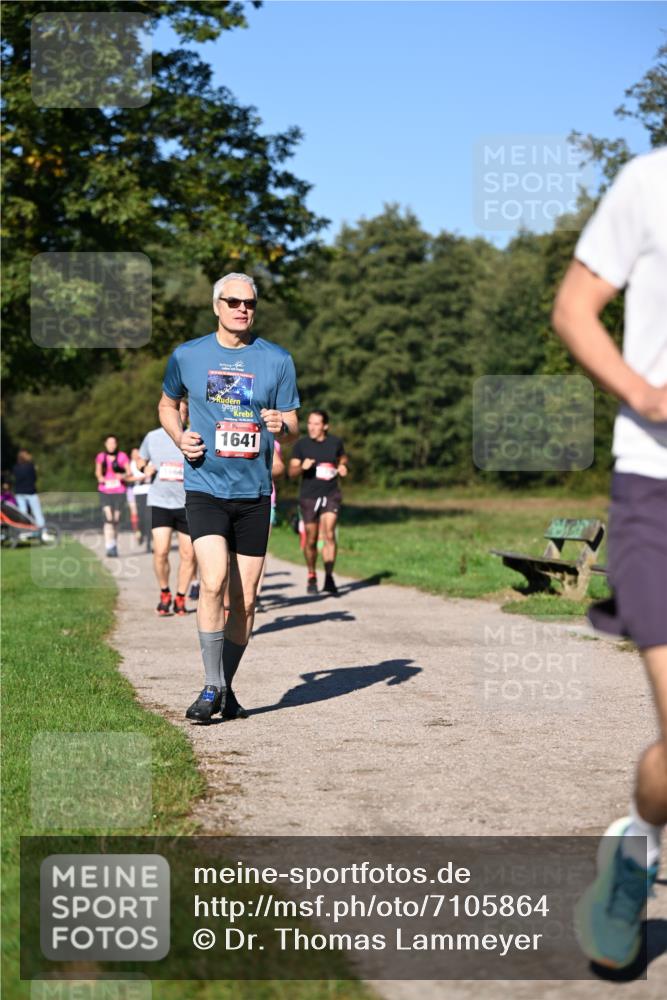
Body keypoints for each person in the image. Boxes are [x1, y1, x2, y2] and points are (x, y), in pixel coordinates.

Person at [552, 146, 667, 969]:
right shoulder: (651, 179)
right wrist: (643, 393)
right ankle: (636, 853)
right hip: (656, 489)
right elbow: (573, 308)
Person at [158, 272, 299, 723]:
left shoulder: (276, 360)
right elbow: (166, 404)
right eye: (234, 301)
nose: (243, 309)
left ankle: (225, 688)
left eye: (250, 303)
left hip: (254, 493)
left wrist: (283, 426)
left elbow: (293, 425)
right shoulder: (188, 355)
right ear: (217, 305)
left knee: (246, 601)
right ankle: (210, 686)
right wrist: (180, 437)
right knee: (214, 581)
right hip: (204, 487)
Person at [137, 402, 196, 617]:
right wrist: (144, 467)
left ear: (187, 414)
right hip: (160, 502)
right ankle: (164, 592)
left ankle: (181, 597)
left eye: (183, 411)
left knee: (188, 555)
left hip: (187, 503)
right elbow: (140, 458)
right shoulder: (152, 437)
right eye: (176, 410)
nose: (180, 414)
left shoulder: (194, 436)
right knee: (160, 552)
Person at [289, 409, 348, 595]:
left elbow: (342, 458)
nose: (312, 427)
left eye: (316, 424)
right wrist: (301, 468)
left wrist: (343, 466)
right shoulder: (302, 445)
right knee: (312, 538)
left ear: (325, 426)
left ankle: (329, 577)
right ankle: (312, 574)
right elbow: (291, 473)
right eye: (310, 423)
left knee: (329, 533)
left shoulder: (335, 443)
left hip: (331, 494)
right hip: (309, 496)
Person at [256, 440, 285, 612]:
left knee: (259, 550)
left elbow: (278, 468)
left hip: (266, 499)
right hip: (234, 497)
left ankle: (256, 595)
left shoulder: (273, 441)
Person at [94, 436, 130, 557]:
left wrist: (122, 475)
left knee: (116, 519)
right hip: (105, 491)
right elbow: (98, 471)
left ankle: (113, 544)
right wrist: (100, 478)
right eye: (109, 443)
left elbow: (129, 472)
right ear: (105, 444)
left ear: (116, 444)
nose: (111, 445)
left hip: (119, 491)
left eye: (114, 442)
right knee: (108, 518)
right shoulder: (101, 457)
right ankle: (109, 546)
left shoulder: (122, 456)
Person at [12, 449, 45, 529]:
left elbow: (15, 479)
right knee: (37, 511)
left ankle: (23, 529)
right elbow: (34, 478)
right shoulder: (30, 466)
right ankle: (42, 530)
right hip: (30, 492)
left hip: (19, 492)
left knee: (23, 513)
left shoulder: (15, 467)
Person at [127, 447, 152, 551]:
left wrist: (149, 476)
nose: (136, 455)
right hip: (138, 493)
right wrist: (138, 478)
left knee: (149, 518)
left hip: (150, 492)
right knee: (140, 517)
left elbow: (152, 473)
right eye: (134, 453)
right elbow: (127, 478)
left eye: (138, 453)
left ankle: (148, 543)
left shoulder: (148, 462)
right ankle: (140, 533)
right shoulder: (131, 465)